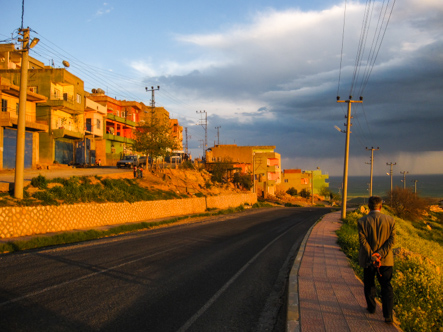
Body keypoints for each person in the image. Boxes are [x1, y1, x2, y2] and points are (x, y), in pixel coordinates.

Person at [358, 196, 395, 323]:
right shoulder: (391, 220)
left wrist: (372, 255)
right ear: (381, 206)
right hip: (385, 260)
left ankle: (371, 308)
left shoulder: (362, 221)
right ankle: (388, 315)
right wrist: (380, 254)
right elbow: (392, 240)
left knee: (369, 284)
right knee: (386, 286)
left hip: (369, 260)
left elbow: (363, 241)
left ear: (368, 206)